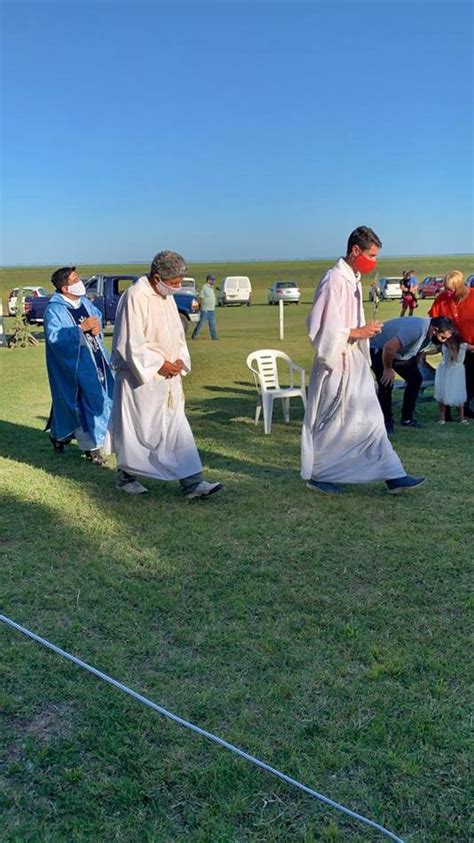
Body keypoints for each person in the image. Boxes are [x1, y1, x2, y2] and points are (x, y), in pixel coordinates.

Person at [301, 225, 425, 495]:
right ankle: (319, 473)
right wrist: (357, 332)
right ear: (355, 250)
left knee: (372, 418)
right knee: (333, 420)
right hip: (336, 362)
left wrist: (363, 331)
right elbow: (318, 325)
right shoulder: (334, 279)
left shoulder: (353, 279)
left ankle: (393, 474)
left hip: (355, 360)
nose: (373, 262)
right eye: (371, 255)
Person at [105, 250, 223, 498]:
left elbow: (177, 335)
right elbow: (130, 342)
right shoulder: (136, 297)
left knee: (177, 428)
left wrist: (181, 359)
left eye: (180, 281)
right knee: (138, 431)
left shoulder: (166, 296)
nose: (177, 286)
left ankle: (193, 483)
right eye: (173, 282)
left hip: (170, 380)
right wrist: (159, 363)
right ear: (156, 276)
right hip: (142, 381)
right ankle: (126, 477)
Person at [44, 266, 114, 465]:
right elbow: (55, 338)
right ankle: (93, 449)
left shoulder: (83, 302)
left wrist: (96, 326)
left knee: (91, 399)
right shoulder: (54, 310)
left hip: (97, 360)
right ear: (65, 288)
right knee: (84, 402)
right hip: (74, 365)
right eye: (75, 280)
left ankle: (59, 435)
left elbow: (96, 318)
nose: (80, 282)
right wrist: (80, 329)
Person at [370, 315, 456, 432]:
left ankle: (407, 418)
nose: (444, 341)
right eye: (443, 338)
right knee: (386, 383)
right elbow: (389, 347)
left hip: (399, 354)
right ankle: (385, 421)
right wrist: (388, 369)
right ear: (435, 330)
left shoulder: (429, 333)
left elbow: (418, 351)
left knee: (415, 379)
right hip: (379, 348)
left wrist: (415, 366)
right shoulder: (417, 329)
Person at [429, 270, 474, 418]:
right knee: (449, 376)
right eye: (445, 288)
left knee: (469, 378)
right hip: (450, 346)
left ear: (459, 287)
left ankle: (466, 407)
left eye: (450, 289)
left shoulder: (472, 296)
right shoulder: (442, 299)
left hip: (471, 344)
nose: (447, 291)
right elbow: (434, 319)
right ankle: (446, 410)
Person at [433, 330, 474, 424]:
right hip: (458, 372)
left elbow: (435, 350)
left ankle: (442, 418)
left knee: (442, 393)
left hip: (445, 371)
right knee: (459, 392)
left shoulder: (444, 345)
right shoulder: (464, 346)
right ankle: (462, 418)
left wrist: (424, 353)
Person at [192, 274, 219, 340]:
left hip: (211, 310)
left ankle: (214, 337)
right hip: (205, 310)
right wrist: (200, 306)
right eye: (212, 280)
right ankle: (195, 335)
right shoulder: (204, 287)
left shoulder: (211, 288)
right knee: (201, 324)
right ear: (208, 280)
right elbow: (200, 297)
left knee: (212, 324)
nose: (214, 281)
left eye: (214, 280)